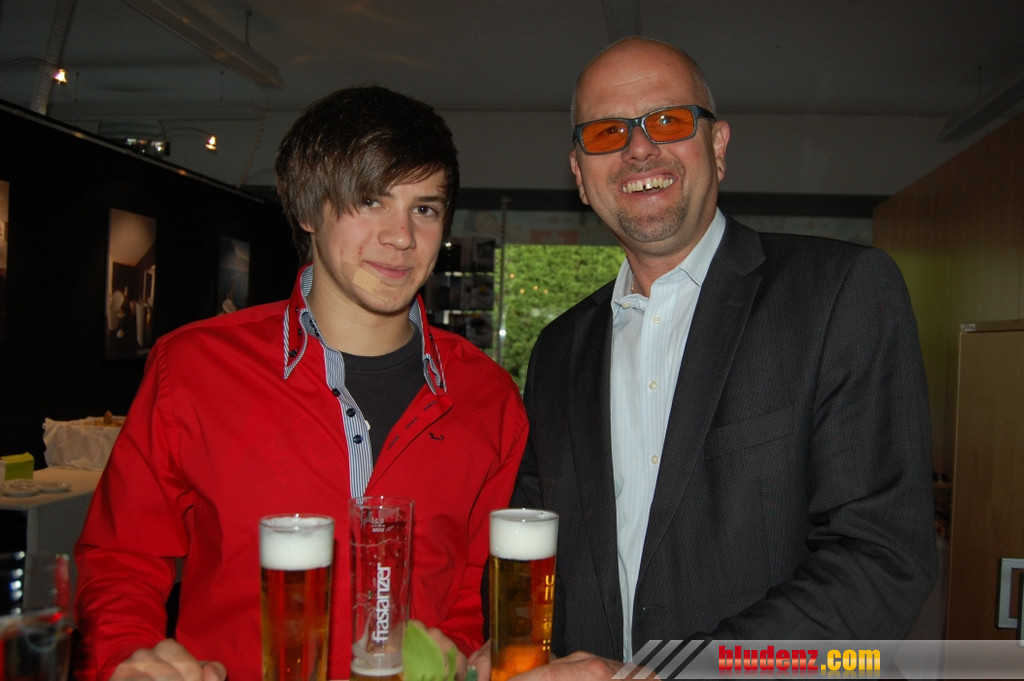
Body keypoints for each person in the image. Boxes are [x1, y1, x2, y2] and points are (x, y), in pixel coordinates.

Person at [479, 36, 938, 679]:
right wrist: (514, 647)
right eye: (608, 132)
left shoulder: (840, 292)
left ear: (718, 146)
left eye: (668, 120)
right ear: (580, 175)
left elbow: (881, 558)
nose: (640, 149)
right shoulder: (560, 348)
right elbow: (534, 538)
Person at [74, 85, 528, 681]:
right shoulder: (192, 367)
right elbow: (121, 556)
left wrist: (459, 653)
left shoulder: (489, 397)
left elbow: (473, 590)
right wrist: (127, 654)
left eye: (424, 208)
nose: (401, 236)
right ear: (308, 211)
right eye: (370, 200)